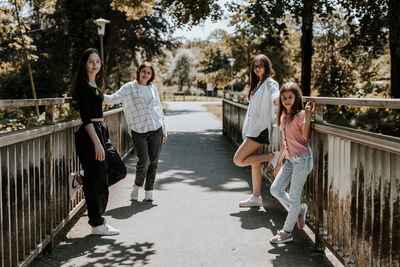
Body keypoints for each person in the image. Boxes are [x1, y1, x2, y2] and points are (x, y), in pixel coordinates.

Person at [71, 48, 127, 235]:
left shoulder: (95, 84)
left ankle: (82, 178)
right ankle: (97, 224)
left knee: (119, 170)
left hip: (102, 131)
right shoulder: (83, 87)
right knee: (98, 181)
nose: (95, 65)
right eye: (91, 62)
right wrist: (97, 143)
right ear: (84, 64)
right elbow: (86, 118)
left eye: (98, 61)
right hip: (91, 135)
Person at [103, 61, 167, 202]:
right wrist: (96, 94)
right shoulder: (129, 87)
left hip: (156, 127)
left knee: (154, 161)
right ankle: (137, 186)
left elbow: (159, 108)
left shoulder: (152, 88)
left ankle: (149, 190)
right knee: (144, 161)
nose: (146, 74)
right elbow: (113, 99)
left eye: (149, 73)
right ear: (139, 71)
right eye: (144, 71)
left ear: (151, 75)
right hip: (138, 130)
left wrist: (164, 130)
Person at [233, 54, 280, 207]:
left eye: (260, 66)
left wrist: (280, 99)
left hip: (260, 130)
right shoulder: (258, 84)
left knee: (238, 160)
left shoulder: (270, 83)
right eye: (255, 66)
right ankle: (256, 197)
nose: (257, 68)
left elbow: (275, 96)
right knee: (254, 163)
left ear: (267, 67)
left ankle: (272, 157)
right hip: (253, 129)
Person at [269, 82, 314, 244]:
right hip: (289, 160)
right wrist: (279, 161)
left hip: (302, 159)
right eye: (284, 98)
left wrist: (307, 115)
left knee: (294, 198)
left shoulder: (300, 115)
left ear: (296, 98)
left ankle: (286, 232)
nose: (287, 100)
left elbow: (305, 137)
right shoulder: (283, 116)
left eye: (290, 97)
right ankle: (300, 210)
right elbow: (284, 142)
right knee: (275, 189)